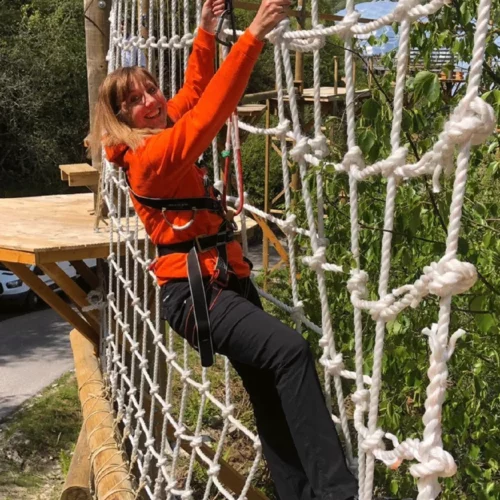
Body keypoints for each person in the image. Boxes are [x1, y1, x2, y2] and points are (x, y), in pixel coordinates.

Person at [88, 0, 358, 498]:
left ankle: (296, 492)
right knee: (292, 353)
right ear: (120, 116)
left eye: (151, 88)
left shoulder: (160, 128)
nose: (150, 100)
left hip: (222, 278)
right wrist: (251, 35)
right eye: (135, 99)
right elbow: (210, 111)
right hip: (193, 296)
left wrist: (206, 34)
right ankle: (339, 493)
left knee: (269, 390)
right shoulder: (150, 156)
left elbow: (193, 94)